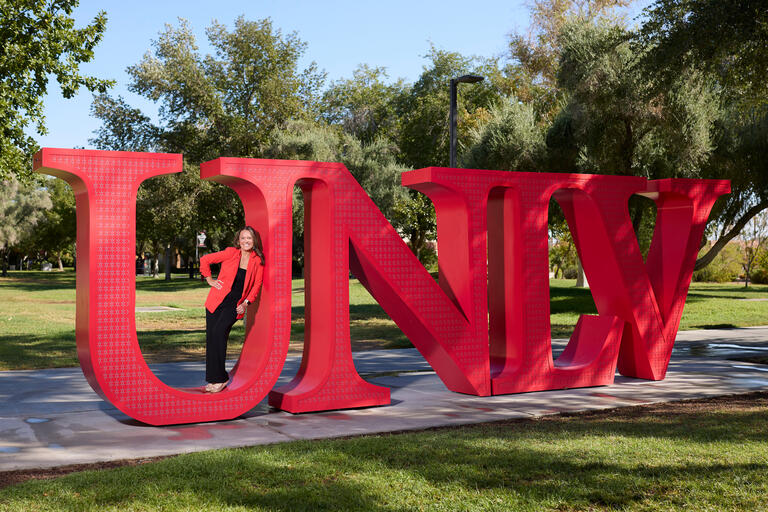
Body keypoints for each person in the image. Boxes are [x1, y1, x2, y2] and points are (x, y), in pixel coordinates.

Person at [199, 226, 265, 393]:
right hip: (216, 301)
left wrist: (247, 303)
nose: (246, 241)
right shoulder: (230, 253)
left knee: (220, 333)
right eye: (243, 238)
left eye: (249, 238)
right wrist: (209, 280)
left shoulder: (258, 260)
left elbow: (256, 285)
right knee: (212, 338)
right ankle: (214, 379)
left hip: (235, 304)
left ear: (254, 241)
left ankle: (221, 378)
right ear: (238, 240)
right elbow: (205, 259)